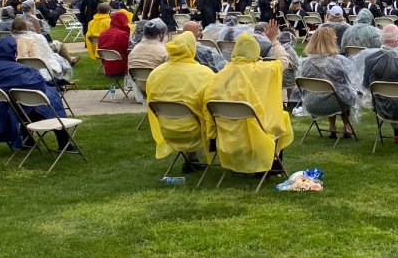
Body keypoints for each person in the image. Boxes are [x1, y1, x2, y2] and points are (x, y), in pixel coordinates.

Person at [205, 24, 294, 176]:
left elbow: (209, 99)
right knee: (283, 117)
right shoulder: (263, 69)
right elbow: (284, 61)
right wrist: (274, 41)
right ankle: (271, 165)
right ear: (255, 50)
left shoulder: (223, 72)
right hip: (256, 126)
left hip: (228, 130)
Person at [0, 36, 73, 152]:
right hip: (12, 112)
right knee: (49, 104)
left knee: (28, 103)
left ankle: (28, 140)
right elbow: (39, 86)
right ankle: (64, 144)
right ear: (14, 51)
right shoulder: (20, 70)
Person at [145, 31, 216, 174]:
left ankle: (191, 160)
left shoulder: (156, 74)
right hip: (196, 131)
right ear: (192, 48)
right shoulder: (204, 73)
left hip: (168, 129)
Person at [296, 27, 361, 139]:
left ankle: (332, 127)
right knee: (346, 92)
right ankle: (347, 126)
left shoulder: (305, 63)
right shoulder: (339, 61)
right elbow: (350, 82)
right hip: (334, 103)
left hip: (312, 104)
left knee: (331, 90)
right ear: (331, 41)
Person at [97, 10, 132, 77]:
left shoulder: (102, 34)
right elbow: (127, 50)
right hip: (121, 69)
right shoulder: (122, 34)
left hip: (107, 68)